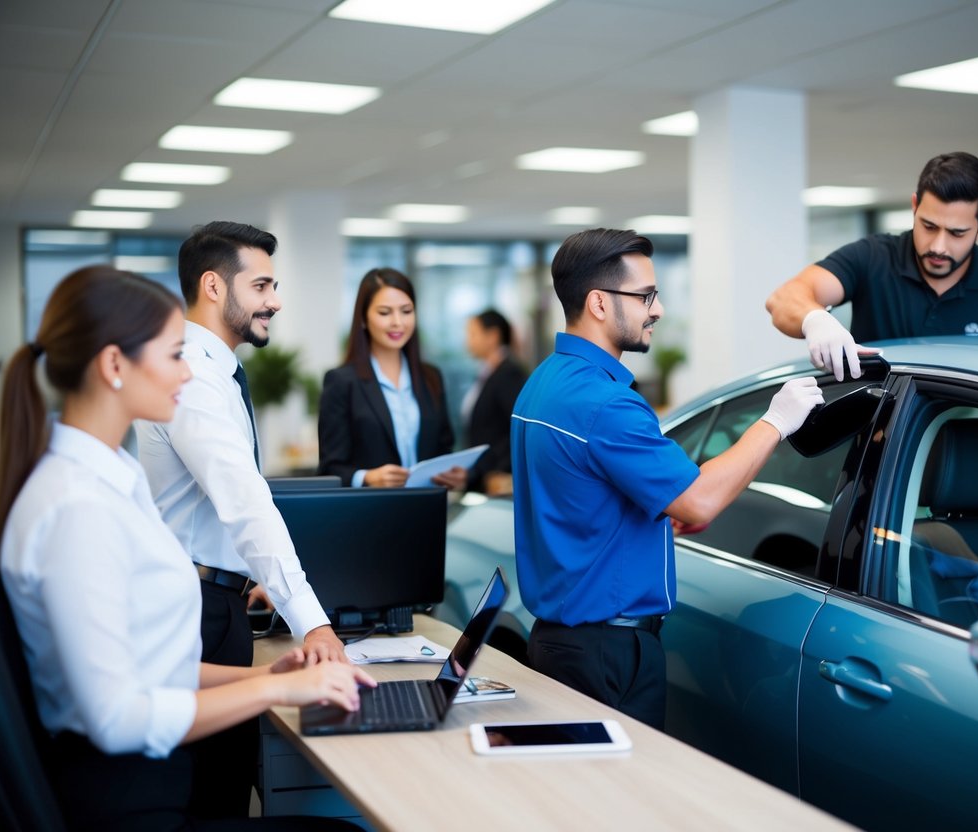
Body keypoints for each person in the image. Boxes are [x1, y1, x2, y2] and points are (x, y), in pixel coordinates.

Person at [0, 266, 374, 832]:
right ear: (114, 365)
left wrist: (273, 681)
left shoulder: (113, 476)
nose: (188, 371)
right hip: (127, 807)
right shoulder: (74, 506)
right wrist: (278, 687)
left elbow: (153, 670)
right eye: (175, 354)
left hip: (150, 788)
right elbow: (117, 716)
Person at [511, 228, 824, 729]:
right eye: (645, 296)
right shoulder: (608, 404)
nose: (656, 309)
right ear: (597, 303)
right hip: (609, 653)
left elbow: (576, 500)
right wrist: (776, 421)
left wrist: (652, 523)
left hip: (564, 641)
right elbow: (698, 501)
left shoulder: (544, 382)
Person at [134, 221, 347, 819]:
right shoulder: (194, 377)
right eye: (261, 285)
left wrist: (247, 572)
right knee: (212, 798)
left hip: (218, 598)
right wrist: (314, 625)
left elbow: (220, 505)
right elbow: (244, 500)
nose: (274, 300)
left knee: (224, 788)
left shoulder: (216, 373)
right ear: (212, 286)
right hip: (196, 608)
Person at [766, 151, 978, 381]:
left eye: (957, 233)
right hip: (877, 440)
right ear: (914, 207)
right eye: (928, 226)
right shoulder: (872, 257)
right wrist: (815, 320)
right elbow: (783, 299)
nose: (938, 246)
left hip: (975, 439)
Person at [318, 267, 462, 489]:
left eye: (406, 311)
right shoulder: (341, 382)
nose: (398, 322)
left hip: (427, 511)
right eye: (385, 313)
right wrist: (367, 478)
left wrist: (454, 475)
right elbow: (330, 468)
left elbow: (443, 449)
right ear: (364, 319)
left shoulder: (431, 377)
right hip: (370, 514)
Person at [461, 309, 527, 494]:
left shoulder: (508, 375)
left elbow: (518, 426)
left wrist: (501, 469)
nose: (467, 341)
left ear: (492, 336)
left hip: (498, 480)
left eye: (472, 334)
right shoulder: (488, 372)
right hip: (482, 477)